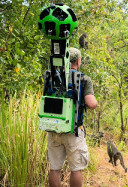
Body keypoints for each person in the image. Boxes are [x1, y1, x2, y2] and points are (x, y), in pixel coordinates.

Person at [48, 48, 97, 187]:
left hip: (53, 129)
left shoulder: (52, 77)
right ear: (78, 61)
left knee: (54, 168)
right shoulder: (84, 79)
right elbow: (91, 104)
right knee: (76, 168)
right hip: (73, 130)